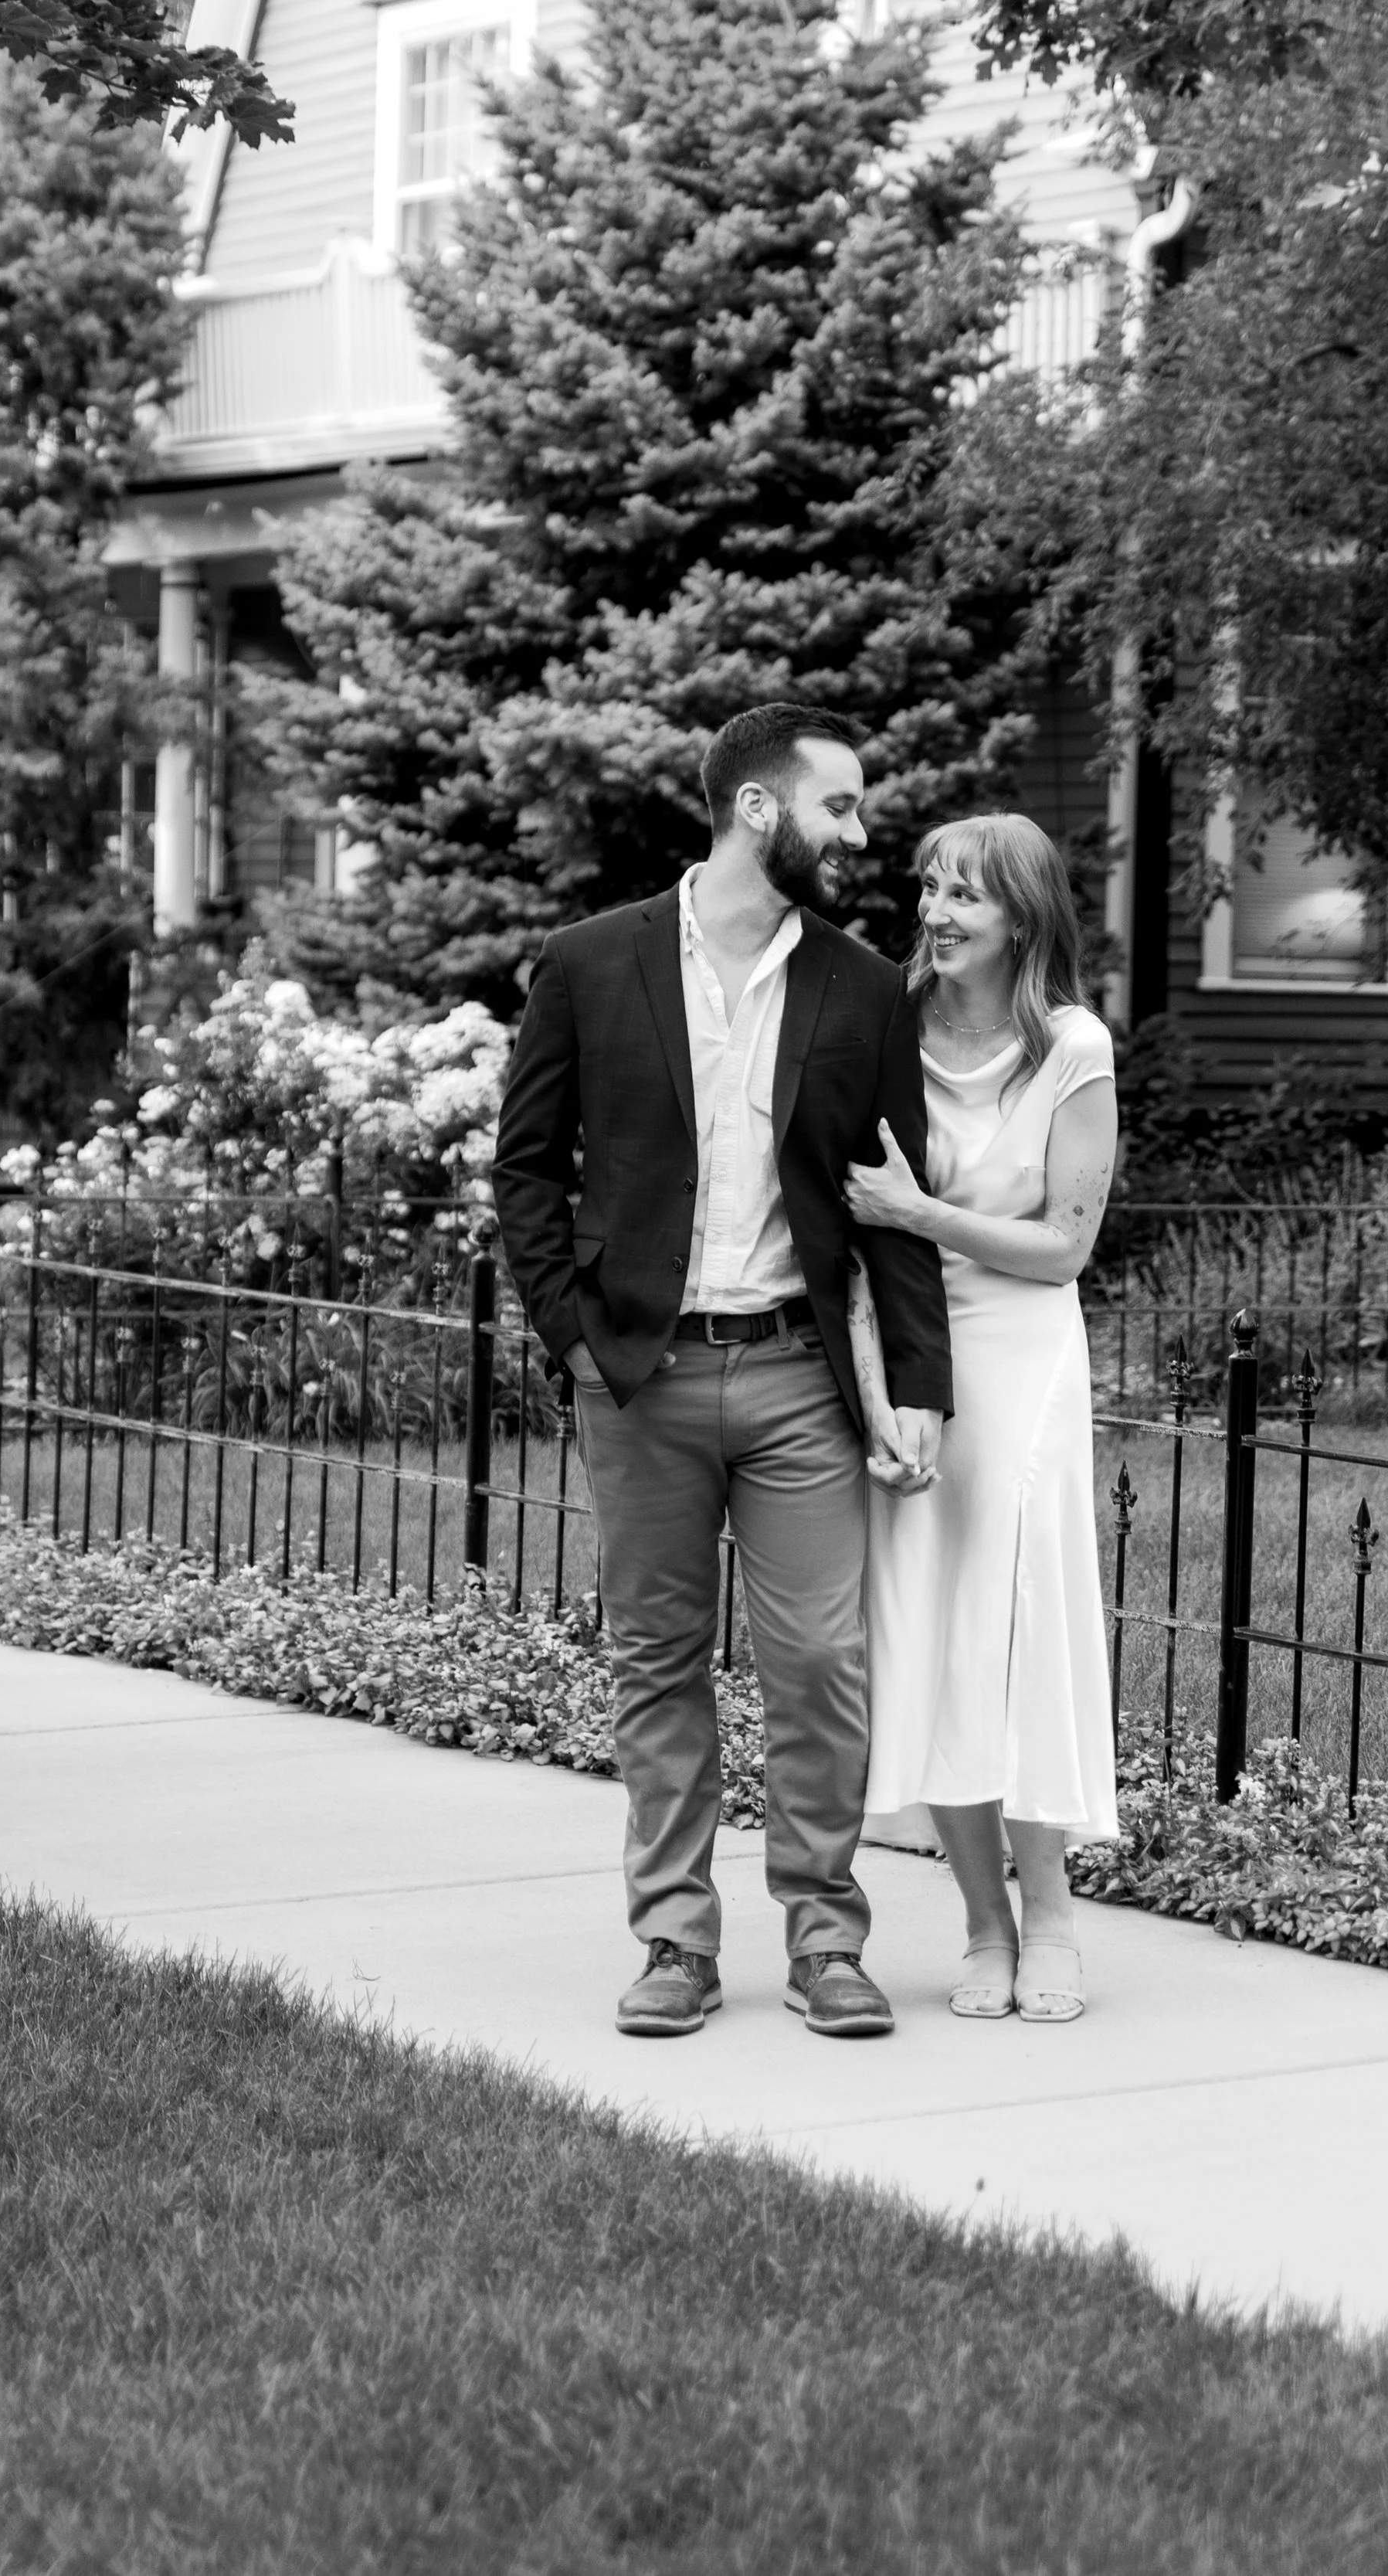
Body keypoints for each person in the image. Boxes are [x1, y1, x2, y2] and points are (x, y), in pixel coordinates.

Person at [493, 704, 952, 2041]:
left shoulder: (863, 988)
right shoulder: (591, 962)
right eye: (842, 807)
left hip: (800, 1374)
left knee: (821, 1660)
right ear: (762, 811)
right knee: (659, 1660)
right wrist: (574, 1337)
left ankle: (826, 1938)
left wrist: (911, 1385)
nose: (860, 834)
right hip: (640, 1372)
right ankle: (677, 1941)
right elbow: (527, 1170)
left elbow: (892, 1203)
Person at [844, 814, 1118, 2023]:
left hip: (1024, 1360)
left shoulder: (1071, 1046)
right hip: (913, 1355)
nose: (937, 912)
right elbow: (847, 1243)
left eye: (965, 895)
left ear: (1022, 915)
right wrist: (882, 1397)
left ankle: (1052, 1912)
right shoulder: (880, 1023)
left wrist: (924, 1215)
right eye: (930, 889)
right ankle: (982, 1918)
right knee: (934, 1627)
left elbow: (1065, 1247)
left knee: (1019, 1627)